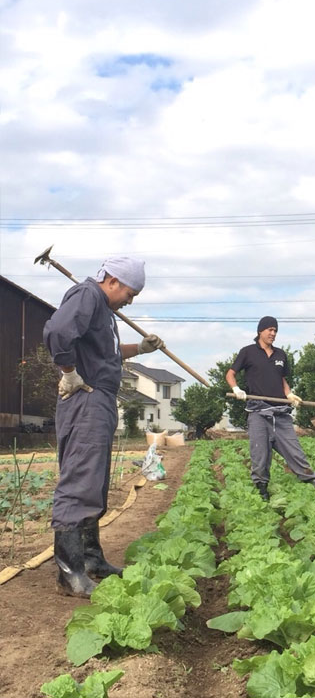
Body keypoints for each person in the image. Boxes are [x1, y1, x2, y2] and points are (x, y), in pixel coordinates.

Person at [43, 256, 165, 597]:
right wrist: (68, 372)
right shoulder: (88, 296)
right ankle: (70, 572)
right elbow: (56, 332)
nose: (130, 300)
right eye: (130, 292)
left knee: (93, 481)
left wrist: (140, 349)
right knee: (80, 480)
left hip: (99, 398)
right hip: (85, 396)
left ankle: (91, 560)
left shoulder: (104, 311)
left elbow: (107, 353)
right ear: (112, 281)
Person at [225, 316, 315, 500]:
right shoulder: (248, 352)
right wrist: (236, 389)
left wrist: (289, 394)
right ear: (260, 331)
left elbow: (282, 379)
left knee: (295, 451)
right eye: (270, 330)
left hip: (281, 413)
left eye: (275, 330)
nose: (273, 333)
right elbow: (230, 373)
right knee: (259, 453)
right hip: (258, 412)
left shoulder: (281, 355)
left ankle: (311, 481)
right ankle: (261, 488)